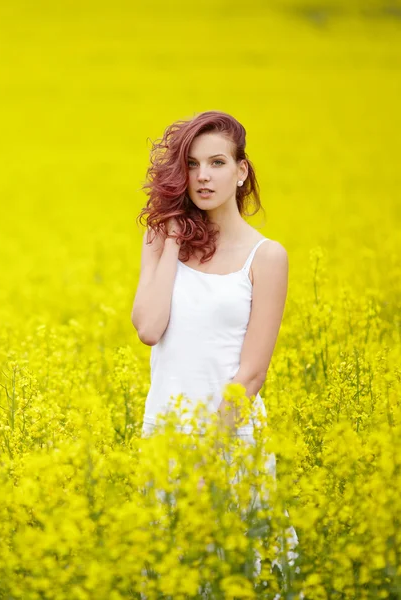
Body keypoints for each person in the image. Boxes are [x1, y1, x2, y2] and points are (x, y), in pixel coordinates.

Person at [131, 110, 299, 589]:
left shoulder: (266, 256)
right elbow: (149, 327)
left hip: (229, 441)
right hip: (165, 437)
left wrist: (205, 462)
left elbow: (251, 374)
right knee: (168, 581)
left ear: (241, 171)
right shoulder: (159, 239)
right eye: (192, 164)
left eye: (218, 162)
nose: (203, 176)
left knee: (241, 578)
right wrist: (169, 244)